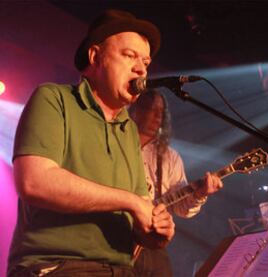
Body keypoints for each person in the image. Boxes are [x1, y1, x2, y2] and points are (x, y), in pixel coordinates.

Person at [7, 10, 175, 277]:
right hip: (58, 266)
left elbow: (139, 212)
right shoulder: (54, 98)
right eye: (129, 55)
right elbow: (33, 181)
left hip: (121, 270)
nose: (142, 68)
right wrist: (131, 202)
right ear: (95, 56)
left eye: (145, 61)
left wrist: (155, 231)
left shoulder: (129, 129)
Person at [129, 90, 224, 276]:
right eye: (152, 109)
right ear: (136, 111)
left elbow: (182, 208)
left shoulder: (170, 157)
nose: (159, 116)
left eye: (162, 111)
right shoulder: (118, 145)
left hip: (152, 246)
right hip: (113, 242)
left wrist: (200, 194)